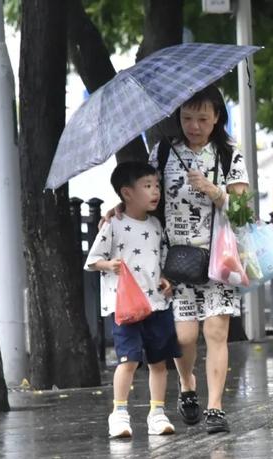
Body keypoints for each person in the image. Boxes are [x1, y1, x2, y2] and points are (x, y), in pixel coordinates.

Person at [105, 85, 249, 434]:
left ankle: (215, 407)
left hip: (218, 258)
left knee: (216, 330)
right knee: (183, 337)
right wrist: (120, 210)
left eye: (203, 118)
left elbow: (244, 211)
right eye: (187, 118)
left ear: (217, 117)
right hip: (173, 260)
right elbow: (146, 194)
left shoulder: (230, 154)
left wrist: (215, 191)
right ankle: (188, 386)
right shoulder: (165, 152)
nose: (194, 125)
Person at [85, 161, 179, 439]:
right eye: (147, 186)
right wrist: (109, 265)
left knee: (159, 362)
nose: (155, 192)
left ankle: (157, 413)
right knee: (127, 360)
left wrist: (164, 279)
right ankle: (119, 413)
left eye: (157, 186)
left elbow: (159, 258)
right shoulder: (113, 224)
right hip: (125, 308)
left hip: (156, 305)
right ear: (127, 193)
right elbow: (92, 261)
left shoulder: (156, 224)